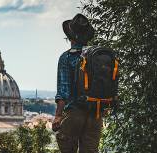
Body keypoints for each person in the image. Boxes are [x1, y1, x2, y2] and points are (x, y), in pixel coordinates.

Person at [53, 14, 102, 153]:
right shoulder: (96, 57)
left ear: (70, 36)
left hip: (74, 113)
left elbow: (63, 91)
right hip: (95, 115)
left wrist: (58, 115)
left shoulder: (66, 57)